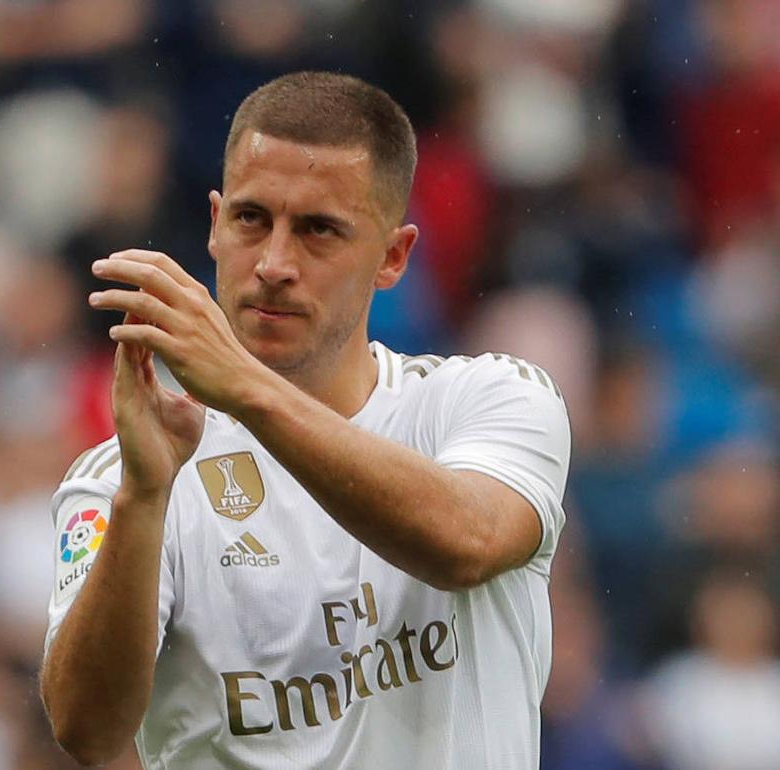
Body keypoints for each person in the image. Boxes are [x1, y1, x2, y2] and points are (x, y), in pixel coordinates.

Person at [41, 71, 570, 769]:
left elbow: (465, 543)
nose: (274, 264)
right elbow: (87, 730)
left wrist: (247, 392)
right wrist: (142, 499)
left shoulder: (488, 399)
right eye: (252, 219)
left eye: (319, 230)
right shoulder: (130, 473)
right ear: (214, 225)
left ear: (393, 256)